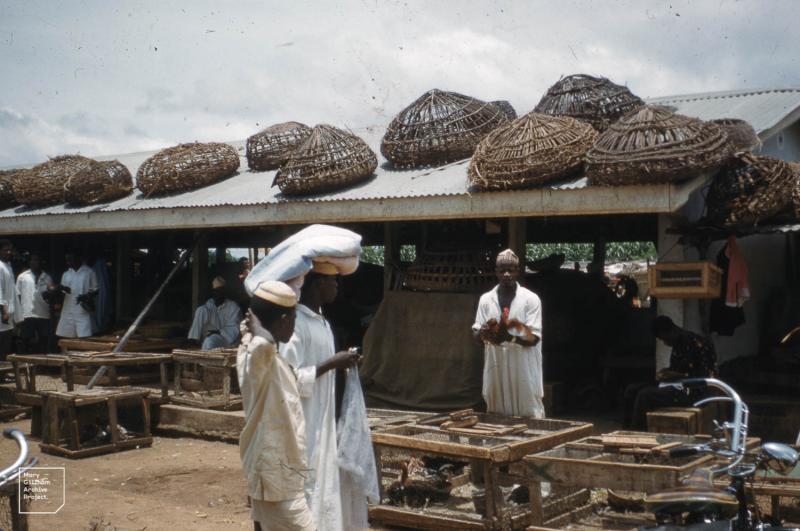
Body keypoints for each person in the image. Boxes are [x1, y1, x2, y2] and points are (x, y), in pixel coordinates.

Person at [281, 263, 363, 531]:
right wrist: (331, 363)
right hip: (306, 420)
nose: (337, 287)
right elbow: (286, 377)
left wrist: (344, 362)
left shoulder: (323, 321)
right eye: (333, 282)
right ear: (317, 285)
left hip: (324, 416)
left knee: (325, 478)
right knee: (309, 479)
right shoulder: (296, 325)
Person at [237, 280, 314, 531]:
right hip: (275, 475)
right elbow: (263, 345)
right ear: (283, 320)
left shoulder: (265, 352)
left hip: (277, 468)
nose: (294, 326)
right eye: (292, 319)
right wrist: (258, 327)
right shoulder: (258, 353)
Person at [472, 249, 545, 418]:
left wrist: (510, 337)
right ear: (496, 271)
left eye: (511, 270)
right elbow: (476, 333)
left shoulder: (530, 299)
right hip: (496, 366)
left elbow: (534, 338)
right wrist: (482, 333)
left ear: (517, 270)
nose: (506, 274)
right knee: (496, 413)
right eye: (502, 270)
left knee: (528, 413)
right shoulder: (486, 299)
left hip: (523, 367)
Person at [623, 315, 718, 430]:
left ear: (670, 331)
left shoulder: (696, 343)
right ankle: (626, 429)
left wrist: (676, 375)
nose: (665, 343)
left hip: (693, 392)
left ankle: (637, 432)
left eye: (664, 339)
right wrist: (666, 372)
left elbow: (703, 377)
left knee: (645, 395)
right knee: (632, 389)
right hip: (677, 386)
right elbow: (678, 370)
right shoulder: (678, 343)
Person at [187, 276, 243, 350]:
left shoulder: (234, 307)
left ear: (224, 292)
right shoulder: (208, 307)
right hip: (211, 337)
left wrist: (219, 332)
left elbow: (235, 328)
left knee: (209, 341)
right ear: (213, 292)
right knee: (201, 310)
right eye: (216, 291)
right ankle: (192, 340)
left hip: (228, 340)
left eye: (220, 291)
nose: (218, 294)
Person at [15, 253, 54, 354]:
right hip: (27, 314)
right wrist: (18, 315)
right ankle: (24, 365)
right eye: (33, 260)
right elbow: (17, 296)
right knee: (25, 341)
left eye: (37, 260)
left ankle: (41, 365)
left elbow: (51, 296)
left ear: (41, 262)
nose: (35, 262)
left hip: (43, 314)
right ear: (30, 262)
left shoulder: (47, 278)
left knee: (43, 342)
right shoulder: (22, 277)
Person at [55, 250, 99, 339]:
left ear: (79, 259)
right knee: (66, 336)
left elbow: (96, 290)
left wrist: (87, 296)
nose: (68, 263)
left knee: (84, 336)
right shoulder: (66, 274)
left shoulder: (89, 272)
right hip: (68, 309)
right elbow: (63, 292)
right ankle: (67, 353)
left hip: (83, 310)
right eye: (67, 260)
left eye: (70, 260)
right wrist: (62, 289)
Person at [0, 240, 17, 360]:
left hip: (9, 311)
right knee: (2, 343)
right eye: (5, 250)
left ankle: (2, 373)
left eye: (9, 249)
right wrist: (4, 311)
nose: (8, 252)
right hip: (2, 312)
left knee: (7, 344)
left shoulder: (8, 266)